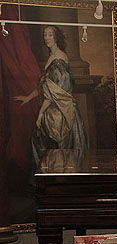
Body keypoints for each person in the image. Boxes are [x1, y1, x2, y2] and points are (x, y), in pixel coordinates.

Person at [14, 25, 87, 166]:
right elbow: (45, 86)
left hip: (61, 112)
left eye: (50, 35)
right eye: (45, 35)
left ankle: (58, 180)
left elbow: (55, 93)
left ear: (56, 37)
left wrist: (40, 113)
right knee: (46, 147)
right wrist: (28, 98)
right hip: (53, 110)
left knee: (57, 149)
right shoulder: (52, 57)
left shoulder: (59, 59)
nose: (46, 38)